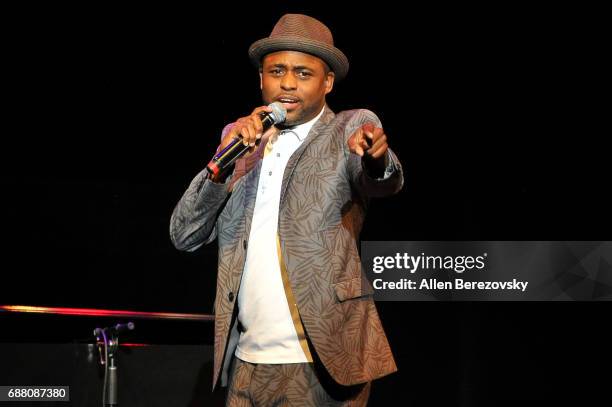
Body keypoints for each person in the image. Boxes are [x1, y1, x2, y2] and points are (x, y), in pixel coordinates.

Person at [170, 13, 403, 406]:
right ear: (262, 78)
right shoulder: (240, 138)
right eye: (277, 71)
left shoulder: (348, 127)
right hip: (245, 359)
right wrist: (226, 162)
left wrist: (376, 161)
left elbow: (381, 179)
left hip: (319, 362)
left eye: (303, 73)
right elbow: (185, 234)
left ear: (327, 82)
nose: (288, 83)